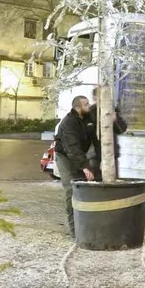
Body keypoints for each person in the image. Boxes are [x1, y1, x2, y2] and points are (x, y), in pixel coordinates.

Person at [54, 95, 93, 238]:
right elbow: (72, 147)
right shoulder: (68, 123)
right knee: (72, 189)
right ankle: (75, 231)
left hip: (79, 155)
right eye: (86, 104)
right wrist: (84, 167)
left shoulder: (88, 118)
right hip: (64, 156)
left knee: (84, 188)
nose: (89, 106)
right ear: (78, 108)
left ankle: (86, 225)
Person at [86, 105, 128, 182]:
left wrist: (115, 120)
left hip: (111, 153)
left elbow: (122, 129)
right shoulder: (90, 113)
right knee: (94, 180)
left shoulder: (112, 110)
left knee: (113, 180)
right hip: (94, 154)